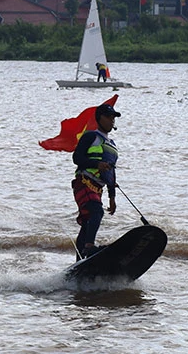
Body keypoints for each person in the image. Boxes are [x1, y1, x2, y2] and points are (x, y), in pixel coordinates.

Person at [71, 103, 120, 259]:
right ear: (100, 118)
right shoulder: (91, 136)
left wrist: (112, 197)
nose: (112, 120)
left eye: (114, 118)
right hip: (84, 181)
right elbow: (76, 158)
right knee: (96, 212)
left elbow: (111, 172)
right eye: (109, 117)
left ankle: (79, 260)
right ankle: (89, 247)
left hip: (98, 188)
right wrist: (96, 164)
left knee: (87, 222)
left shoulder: (112, 145)